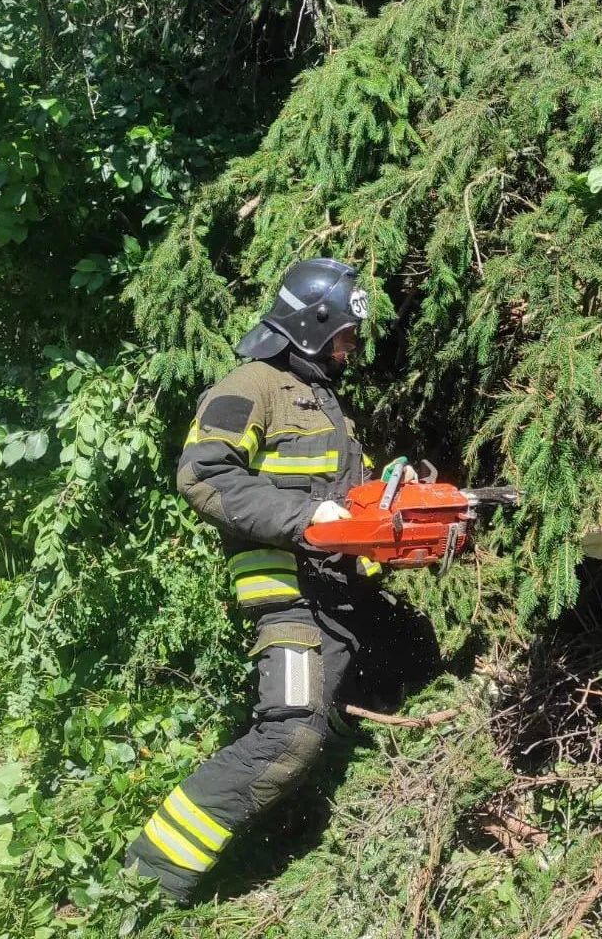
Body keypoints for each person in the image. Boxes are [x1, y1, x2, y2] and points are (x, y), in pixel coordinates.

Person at [124, 257, 420, 904]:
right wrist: (305, 515)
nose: (350, 350)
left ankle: (298, 833)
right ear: (311, 327)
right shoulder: (252, 385)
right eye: (343, 335)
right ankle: (144, 879)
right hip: (291, 603)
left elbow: (348, 512)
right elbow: (202, 475)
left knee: (413, 664)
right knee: (291, 735)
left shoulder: (326, 405)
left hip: (342, 599)